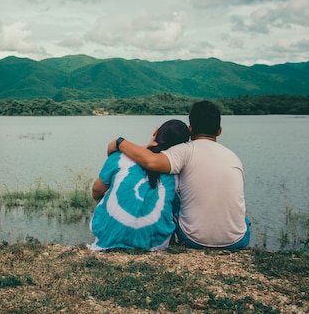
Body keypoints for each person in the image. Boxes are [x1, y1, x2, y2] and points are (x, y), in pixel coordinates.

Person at [108, 100, 250, 250]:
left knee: (171, 192)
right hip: (237, 241)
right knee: (244, 220)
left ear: (190, 129)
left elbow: (151, 162)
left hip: (193, 239)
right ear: (219, 130)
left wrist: (120, 142)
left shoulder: (185, 151)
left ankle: (165, 236)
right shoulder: (233, 157)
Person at [89, 119, 190, 251]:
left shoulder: (119, 157)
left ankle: (111, 232)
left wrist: (98, 200)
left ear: (156, 131)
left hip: (109, 236)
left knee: (106, 192)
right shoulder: (175, 172)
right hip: (155, 244)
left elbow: (97, 189)